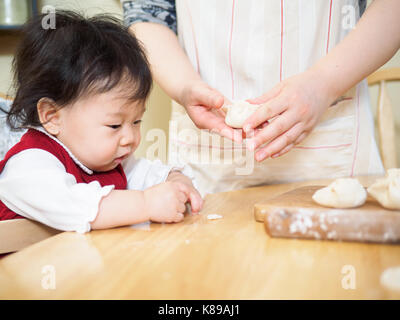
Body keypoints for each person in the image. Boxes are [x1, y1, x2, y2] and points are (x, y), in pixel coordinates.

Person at [123, 0, 400, 196]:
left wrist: (324, 84)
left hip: (332, 148)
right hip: (207, 157)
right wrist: (185, 86)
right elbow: (147, 12)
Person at [0, 10, 203, 233]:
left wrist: (176, 181)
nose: (130, 138)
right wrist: (146, 203)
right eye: (114, 125)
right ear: (51, 116)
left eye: (136, 121)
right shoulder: (29, 166)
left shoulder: (107, 160)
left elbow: (146, 174)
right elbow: (76, 205)